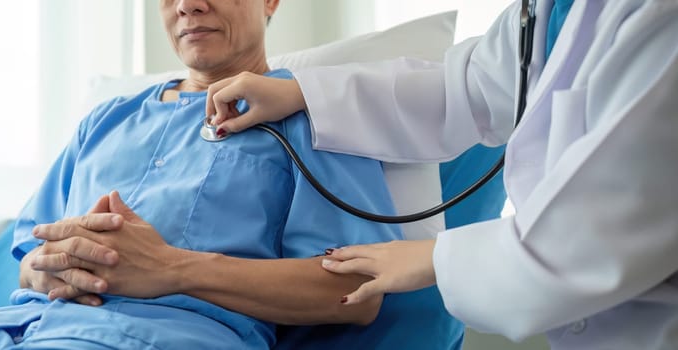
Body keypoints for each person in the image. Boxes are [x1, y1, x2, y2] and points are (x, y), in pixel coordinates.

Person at [0, 0, 457, 348]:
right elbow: (30, 253)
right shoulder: (104, 120)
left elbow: (355, 295)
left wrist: (171, 269)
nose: (188, 2)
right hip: (0, 331)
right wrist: (45, 269)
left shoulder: (312, 120)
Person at [203, 0, 678, 349]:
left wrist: (431, 259)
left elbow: (591, 245)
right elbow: (462, 89)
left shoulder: (659, 19)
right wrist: (303, 94)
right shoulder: (550, 11)